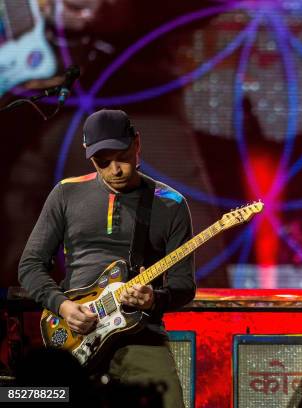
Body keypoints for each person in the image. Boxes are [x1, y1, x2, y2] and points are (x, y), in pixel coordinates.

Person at [18, 109, 195, 408]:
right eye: (103, 162)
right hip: (75, 336)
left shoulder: (171, 204)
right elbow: (30, 266)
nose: (116, 170)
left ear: (137, 143)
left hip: (141, 337)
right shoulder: (66, 194)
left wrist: (153, 299)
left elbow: (183, 286)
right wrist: (62, 305)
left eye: (122, 156)